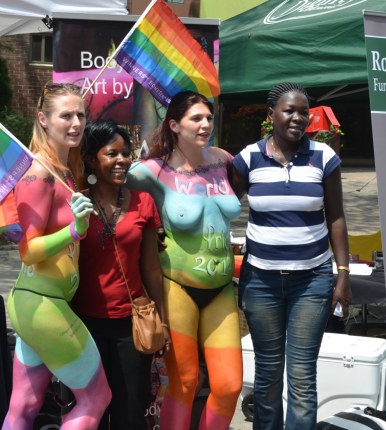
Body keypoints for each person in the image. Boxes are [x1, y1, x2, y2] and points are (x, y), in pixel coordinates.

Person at [230, 82, 352, 430]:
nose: (299, 117)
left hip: (312, 281)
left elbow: (337, 216)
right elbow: (223, 206)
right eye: (289, 110)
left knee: (301, 375)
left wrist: (342, 274)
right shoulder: (249, 158)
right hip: (260, 281)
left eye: (304, 111)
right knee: (267, 376)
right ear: (271, 116)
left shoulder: (324, 157)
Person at [127, 91, 243, 430]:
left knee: (229, 386)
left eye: (208, 117)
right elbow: (109, 178)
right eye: (196, 118)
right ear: (174, 124)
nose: (206, 123)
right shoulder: (152, 170)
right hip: (178, 289)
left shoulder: (223, 160)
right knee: (186, 382)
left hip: (221, 289)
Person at [2, 83, 111, 429]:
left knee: (25, 403)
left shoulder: (64, 172)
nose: (77, 122)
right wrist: (74, 230)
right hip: (42, 305)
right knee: (96, 397)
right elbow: (28, 251)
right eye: (66, 115)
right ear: (43, 119)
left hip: (38, 306)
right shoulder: (39, 173)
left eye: (81, 114)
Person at [70, 119, 169, 429]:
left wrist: (162, 320)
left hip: (131, 324)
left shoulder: (144, 202)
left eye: (126, 153)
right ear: (90, 159)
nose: (122, 160)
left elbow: (151, 266)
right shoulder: (76, 202)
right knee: (91, 412)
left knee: (131, 410)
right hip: (84, 325)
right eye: (111, 154)